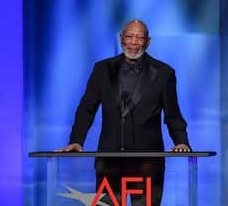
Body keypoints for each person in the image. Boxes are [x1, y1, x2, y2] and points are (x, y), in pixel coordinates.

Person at [56, 20, 191, 206]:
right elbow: (87, 108)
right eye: (129, 36)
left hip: (147, 163)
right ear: (121, 39)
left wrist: (181, 141)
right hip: (110, 162)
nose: (134, 42)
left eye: (139, 37)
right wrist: (76, 140)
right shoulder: (102, 70)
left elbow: (173, 113)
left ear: (148, 42)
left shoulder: (164, 73)